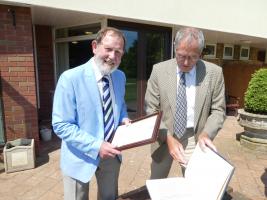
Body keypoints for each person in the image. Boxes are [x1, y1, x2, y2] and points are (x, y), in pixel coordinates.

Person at [52, 27, 131, 200]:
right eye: (108, 49)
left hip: (111, 154)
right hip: (79, 155)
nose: (112, 56)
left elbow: (121, 104)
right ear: (95, 46)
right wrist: (96, 146)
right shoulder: (70, 78)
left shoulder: (120, 77)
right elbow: (61, 125)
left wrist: (124, 117)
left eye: (118, 52)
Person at [144, 27, 226, 179]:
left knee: (195, 184)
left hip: (195, 136)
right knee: (157, 181)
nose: (186, 62)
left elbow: (218, 110)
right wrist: (168, 138)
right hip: (164, 135)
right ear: (174, 48)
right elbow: (151, 109)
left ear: (201, 53)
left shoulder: (214, 73)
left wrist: (206, 133)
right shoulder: (159, 70)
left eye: (193, 57)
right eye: (181, 56)